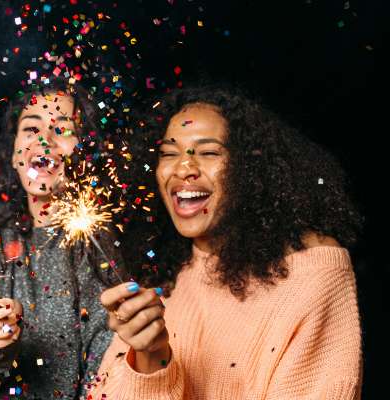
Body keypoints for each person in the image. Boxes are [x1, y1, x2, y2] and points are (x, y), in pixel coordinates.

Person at [89, 85, 363, 399]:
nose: (183, 168)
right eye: (168, 153)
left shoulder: (313, 273)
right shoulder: (158, 282)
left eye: (208, 152)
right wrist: (151, 358)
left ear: (250, 169)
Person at [0, 80, 119, 398]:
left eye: (62, 130)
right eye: (31, 129)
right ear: (14, 151)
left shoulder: (96, 235)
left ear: (83, 150)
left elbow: (107, 355)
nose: (44, 142)